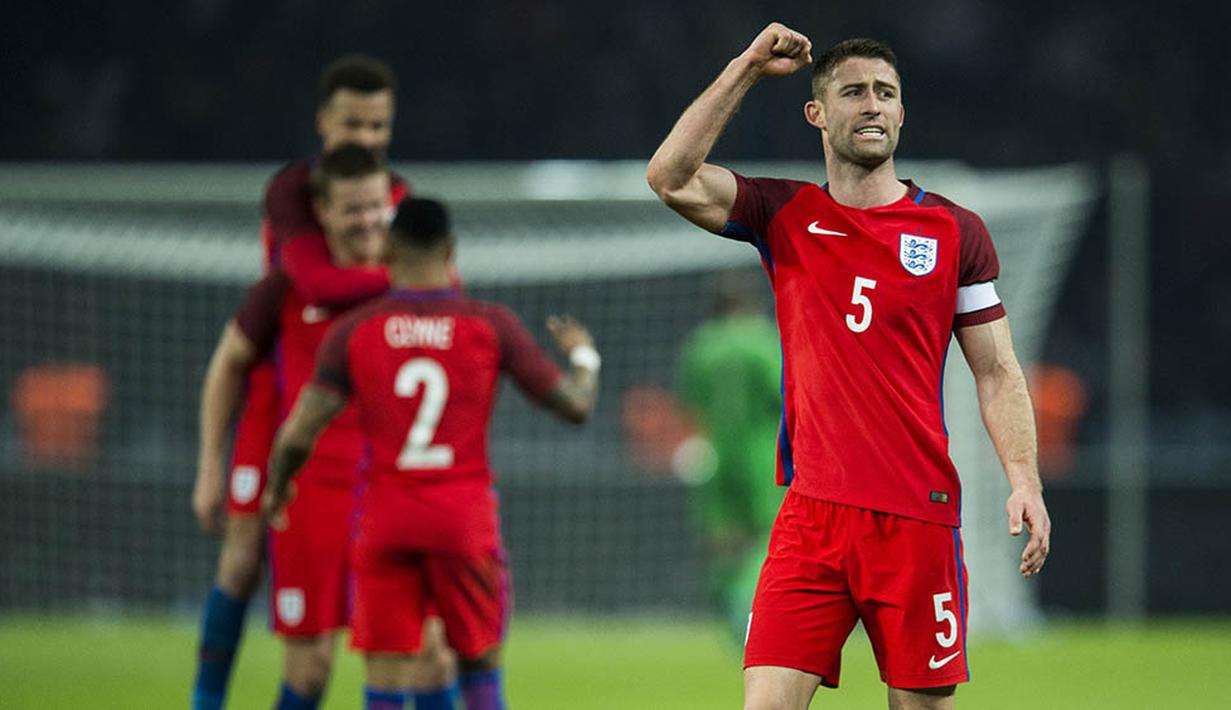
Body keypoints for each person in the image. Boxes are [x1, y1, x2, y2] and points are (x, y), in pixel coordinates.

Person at [646, 23, 1051, 710]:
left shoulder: (953, 231)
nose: (871, 105)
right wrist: (746, 66)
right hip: (811, 517)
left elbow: (997, 371)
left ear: (900, 113)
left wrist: (1023, 479)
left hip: (916, 517)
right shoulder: (784, 214)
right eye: (853, 92)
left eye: (884, 94)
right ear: (817, 113)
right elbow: (669, 176)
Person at [188, 57, 455, 710]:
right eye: (351, 125)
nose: (364, 139)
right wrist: (406, 287)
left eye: (377, 126)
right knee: (245, 554)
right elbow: (315, 283)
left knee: (421, 642)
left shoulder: (400, 198)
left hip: (370, 443)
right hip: (280, 402)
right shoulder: (293, 194)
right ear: (322, 124)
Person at [262, 197, 600, 710]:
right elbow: (575, 408)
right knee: (478, 661)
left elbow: (297, 434)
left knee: (384, 672)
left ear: (390, 249)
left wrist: (278, 485)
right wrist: (583, 355)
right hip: (461, 517)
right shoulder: (490, 325)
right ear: (451, 249)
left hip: (386, 516)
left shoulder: (355, 329)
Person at [675, 270, 784, 649]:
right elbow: (783, 394)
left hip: (714, 452)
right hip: (760, 453)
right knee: (769, 536)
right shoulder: (763, 341)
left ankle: (726, 609)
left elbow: (690, 401)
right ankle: (745, 613)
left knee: (723, 539)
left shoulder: (700, 346)